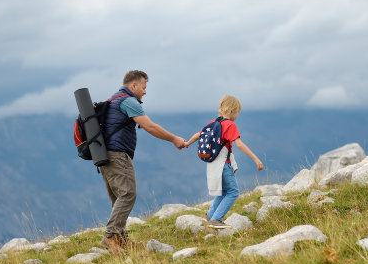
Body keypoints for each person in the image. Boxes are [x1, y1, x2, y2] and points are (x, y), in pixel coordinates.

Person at [100, 70, 186, 252]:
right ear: (134, 86)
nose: (145, 92)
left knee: (118, 197)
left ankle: (121, 239)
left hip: (104, 155)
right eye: (144, 87)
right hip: (118, 155)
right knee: (128, 194)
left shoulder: (113, 99)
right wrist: (174, 139)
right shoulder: (128, 101)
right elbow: (149, 126)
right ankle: (110, 237)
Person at [185, 95, 263, 228]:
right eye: (238, 112)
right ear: (232, 110)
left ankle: (209, 217)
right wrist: (255, 158)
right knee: (233, 192)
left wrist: (187, 143)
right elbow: (239, 144)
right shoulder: (230, 125)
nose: (238, 115)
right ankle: (216, 219)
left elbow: (197, 136)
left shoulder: (212, 123)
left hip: (212, 165)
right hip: (224, 166)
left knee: (223, 192)